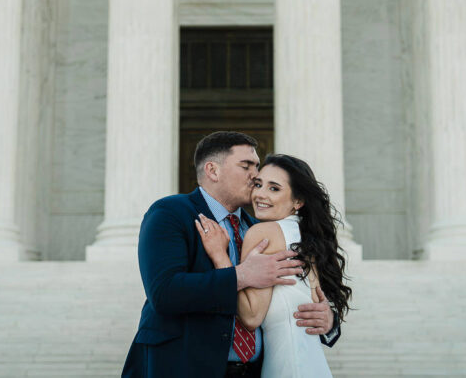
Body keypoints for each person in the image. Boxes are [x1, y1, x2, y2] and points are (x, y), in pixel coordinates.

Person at [122, 131, 340, 378]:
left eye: (257, 166)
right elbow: (164, 292)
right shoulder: (170, 212)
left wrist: (328, 320)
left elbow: (292, 298)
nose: (256, 175)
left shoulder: (261, 228)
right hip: (182, 367)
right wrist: (240, 275)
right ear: (213, 171)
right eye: (246, 166)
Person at [197, 154, 351, 378]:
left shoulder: (263, 232)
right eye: (258, 184)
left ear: (298, 201)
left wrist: (221, 258)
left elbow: (251, 318)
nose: (260, 194)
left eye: (274, 188)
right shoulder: (305, 238)